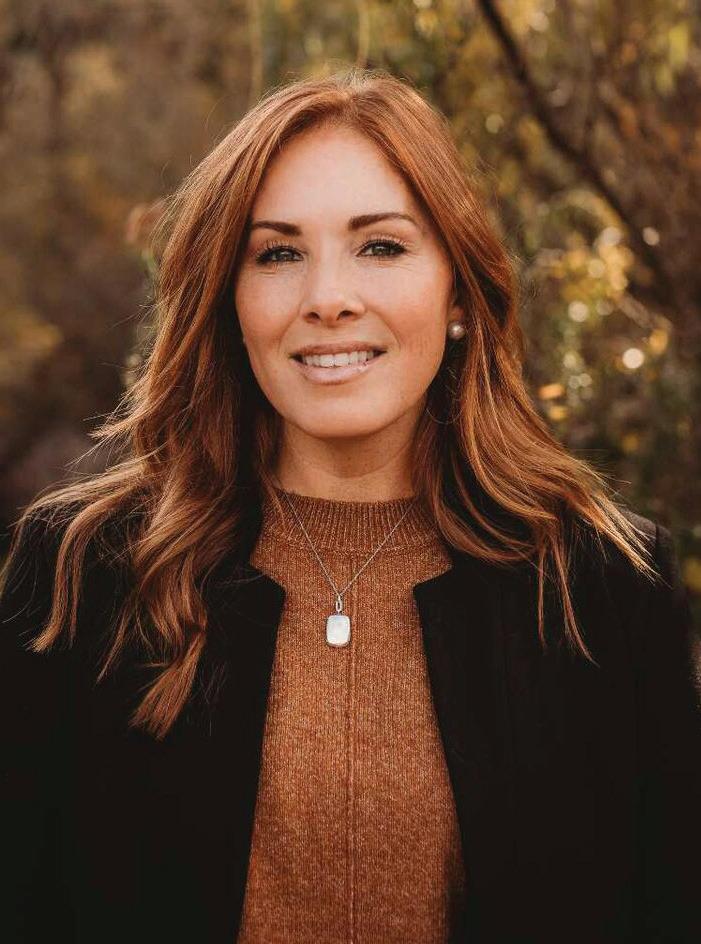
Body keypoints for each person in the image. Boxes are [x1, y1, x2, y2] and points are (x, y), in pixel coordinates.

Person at [0, 67, 699, 944]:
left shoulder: (601, 588)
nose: (328, 299)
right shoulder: (83, 575)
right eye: (277, 254)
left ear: (457, 294)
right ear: (228, 299)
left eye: (380, 246)